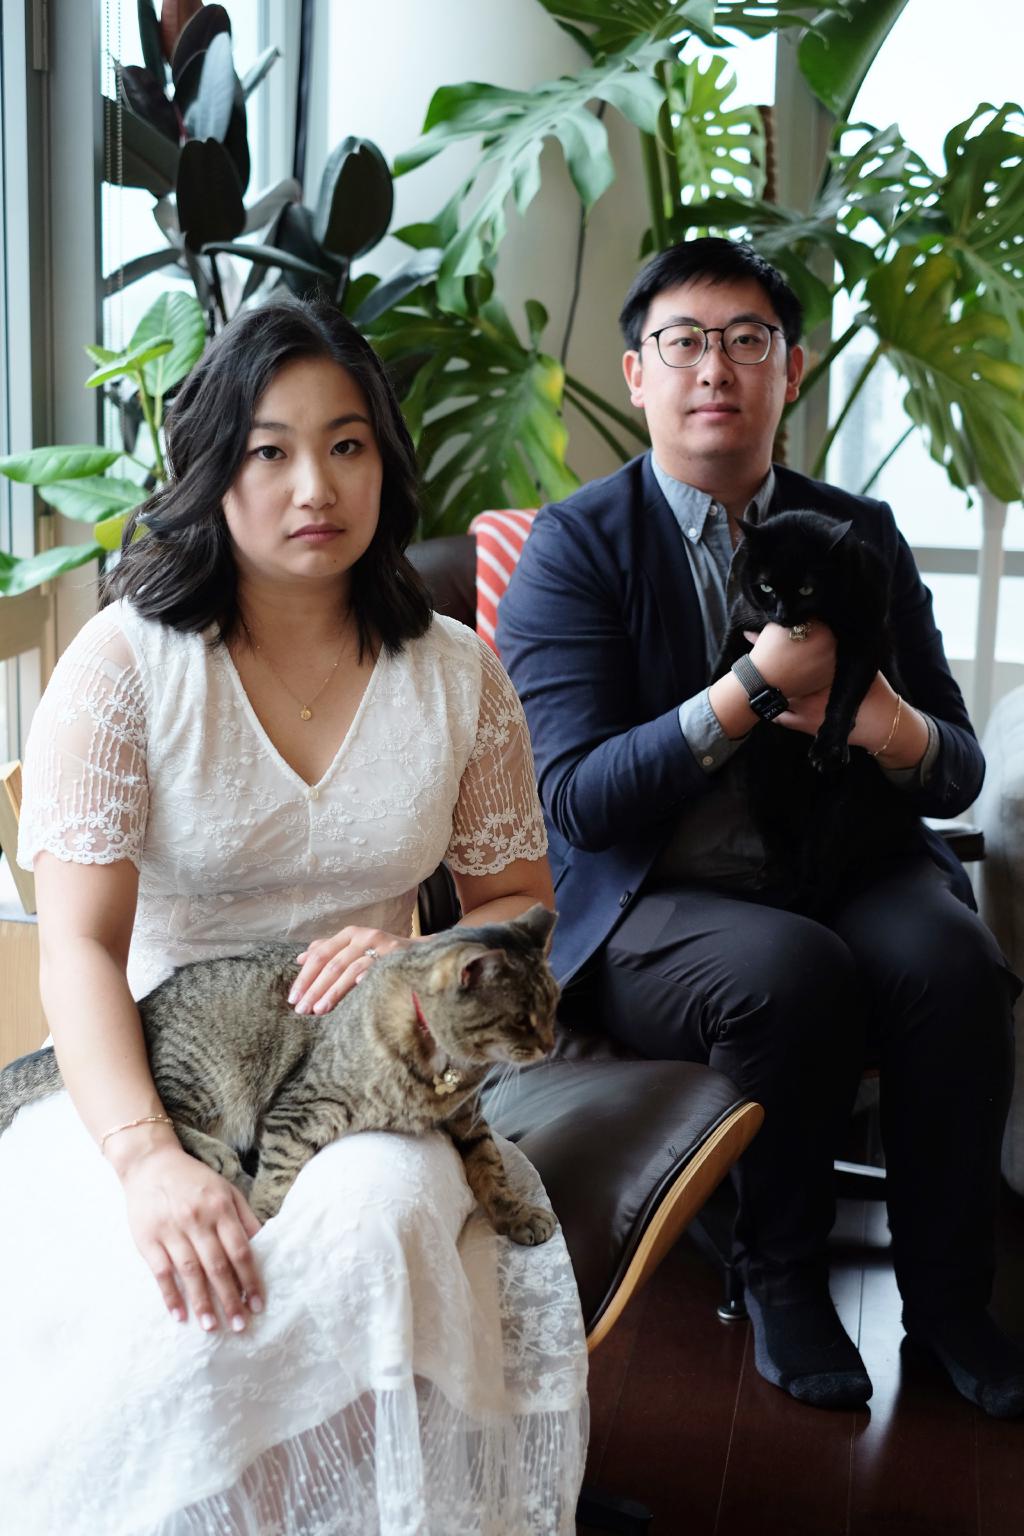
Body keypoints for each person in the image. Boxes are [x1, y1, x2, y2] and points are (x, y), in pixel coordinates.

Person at [0, 299, 588, 1534]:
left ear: (384, 460)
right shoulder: (123, 667)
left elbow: (520, 904)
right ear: (214, 469)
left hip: (371, 1085)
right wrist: (148, 1161)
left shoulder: (456, 674)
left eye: (347, 443)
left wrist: (421, 957)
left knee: (372, 1226)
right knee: (183, 1296)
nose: (312, 483)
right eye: (268, 449)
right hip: (158, 1081)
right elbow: (80, 950)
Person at [497, 236, 1024, 1417]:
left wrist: (886, 723)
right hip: (655, 901)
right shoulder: (575, 547)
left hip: (846, 864)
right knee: (790, 972)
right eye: (683, 343)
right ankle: (778, 1279)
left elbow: (953, 769)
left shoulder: (859, 531)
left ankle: (948, 1303)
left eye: (747, 342)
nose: (714, 369)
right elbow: (576, 797)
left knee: (951, 960)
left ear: (792, 370)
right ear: (636, 374)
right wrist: (749, 695)